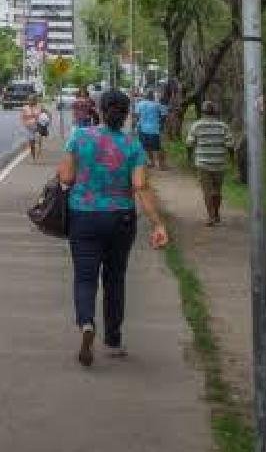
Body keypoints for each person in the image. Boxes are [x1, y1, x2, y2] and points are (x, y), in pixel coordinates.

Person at [57, 89, 168, 366]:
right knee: (115, 279)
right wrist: (158, 224)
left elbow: (67, 177)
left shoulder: (79, 137)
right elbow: (140, 187)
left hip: (83, 216)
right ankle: (114, 339)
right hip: (121, 219)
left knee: (85, 277)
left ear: (99, 109)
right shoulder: (133, 146)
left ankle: (86, 324)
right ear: (127, 113)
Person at [185, 101, 233, 226]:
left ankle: (211, 216)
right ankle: (216, 214)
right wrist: (232, 160)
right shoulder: (223, 126)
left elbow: (189, 144)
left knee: (207, 191)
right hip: (219, 163)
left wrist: (189, 158)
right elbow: (230, 145)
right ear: (215, 112)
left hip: (203, 164)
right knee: (217, 190)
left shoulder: (196, 126)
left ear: (202, 112)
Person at [134, 88, 168, 169]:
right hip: (154, 129)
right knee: (156, 147)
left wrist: (136, 125)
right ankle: (157, 164)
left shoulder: (140, 104)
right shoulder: (157, 105)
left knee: (145, 146)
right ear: (152, 96)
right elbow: (164, 114)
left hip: (142, 128)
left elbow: (136, 116)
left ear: (145, 96)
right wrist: (161, 123)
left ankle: (150, 162)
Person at [20, 95, 41, 160]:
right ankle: (33, 156)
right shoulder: (25, 108)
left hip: (37, 126)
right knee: (31, 141)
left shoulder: (38, 107)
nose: (31, 101)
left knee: (37, 140)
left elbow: (40, 116)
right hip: (29, 127)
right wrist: (25, 123)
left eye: (32, 100)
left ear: (35, 101)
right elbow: (22, 117)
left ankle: (37, 152)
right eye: (30, 100)